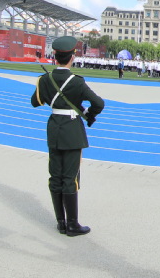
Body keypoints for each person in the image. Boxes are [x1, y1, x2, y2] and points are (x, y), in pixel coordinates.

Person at [31, 36, 104, 237]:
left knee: (55, 175)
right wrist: (90, 114)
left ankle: (61, 222)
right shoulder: (77, 82)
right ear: (71, 57)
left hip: (54, 129)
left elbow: (35, 102)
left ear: (55, 57)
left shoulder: (45, 80)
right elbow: (99, 103)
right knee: (70, 177)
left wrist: (46, 90)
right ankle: (72, 224)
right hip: (72, 131)